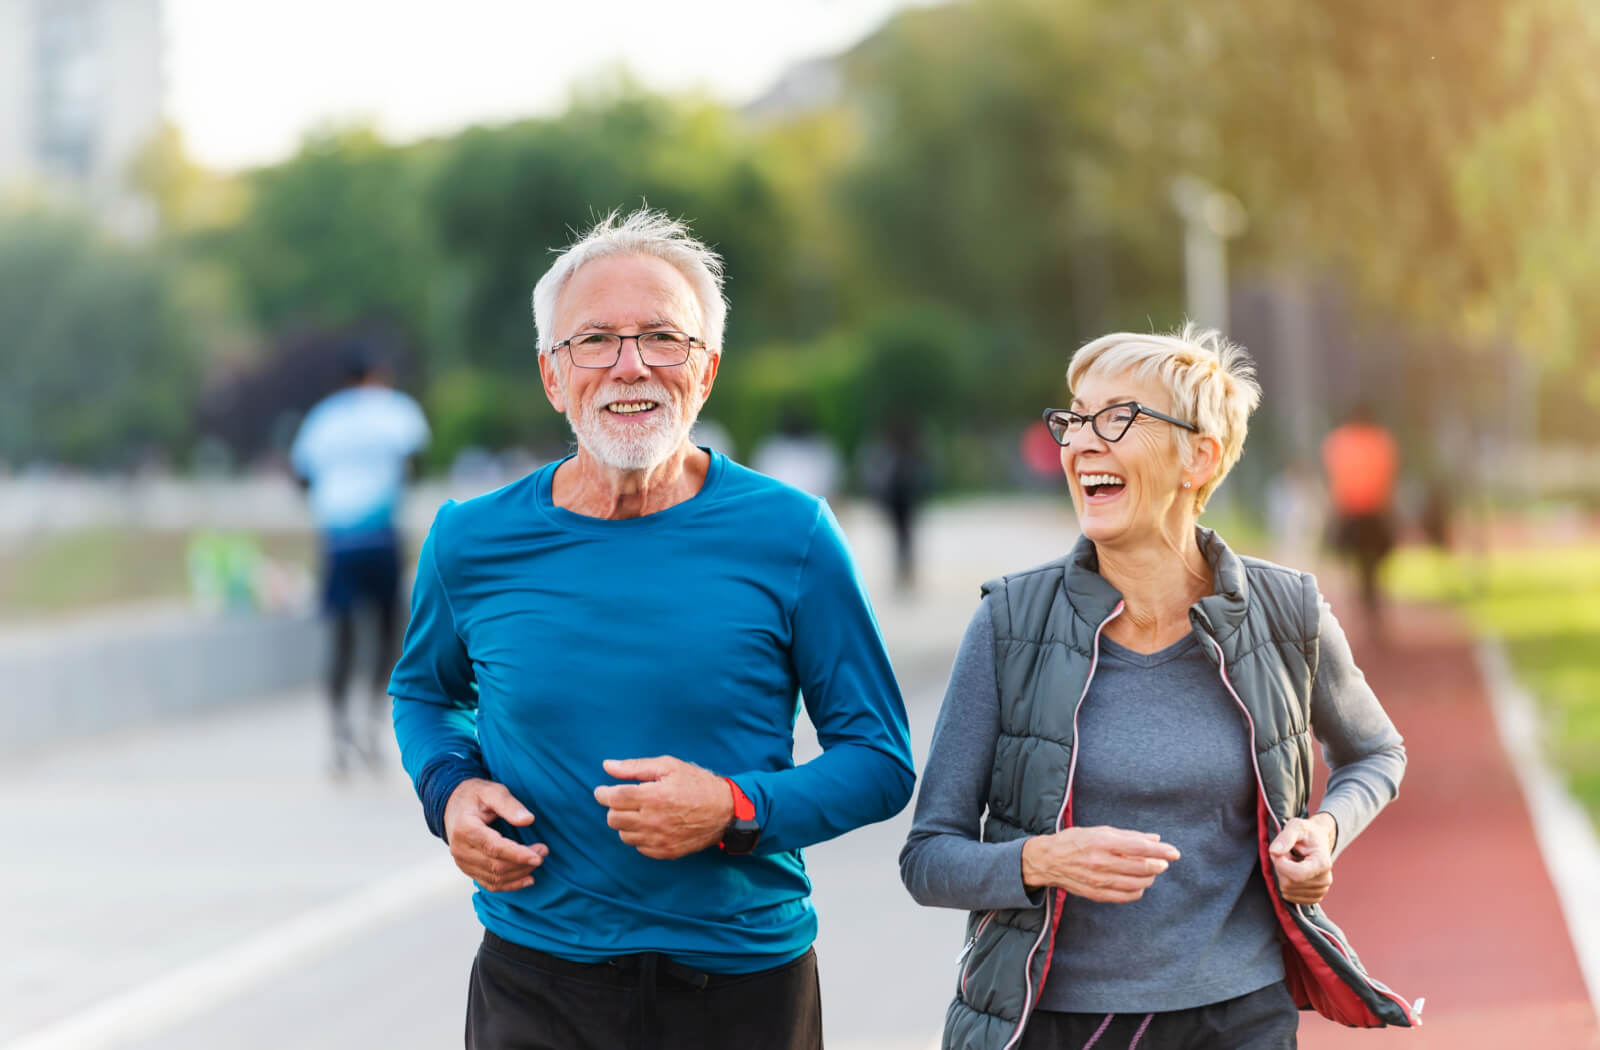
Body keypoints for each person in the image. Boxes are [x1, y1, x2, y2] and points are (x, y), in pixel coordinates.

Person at [388, 208, 915, 1050]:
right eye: (594, 340)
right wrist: (447, 785)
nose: (630, 365)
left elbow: (881, 761)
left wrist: (735, 806)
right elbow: (424, 692)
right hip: (535, 980)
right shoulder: (470, 540)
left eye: (663, 338)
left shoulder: (795, 535)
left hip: (742, 987)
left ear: (704, 371)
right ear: (553, 377)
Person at [900, 326, 1418, 1049]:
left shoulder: (1286, 611)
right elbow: (928, 856)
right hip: (1054, 1023)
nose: (1081, 442)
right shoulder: (1009, 622)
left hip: (1242, 1014)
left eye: (1116, 418)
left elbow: (1376, 752)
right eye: (1073, 420)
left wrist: (1324, 832)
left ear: (1198, 457)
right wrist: (1042, 859)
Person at [289, 349, 429, 777]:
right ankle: (372, 720)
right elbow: (414, 464)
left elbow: (301, 476)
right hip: (381, 535)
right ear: (377, 374)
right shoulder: (396, 409)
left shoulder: (322, 418)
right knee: (389, 632)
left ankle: (338, 731)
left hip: (338, 540)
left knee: (342, 637)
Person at [1320, 404, 1399, 636]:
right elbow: (1389, 478)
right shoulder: (1382, 441)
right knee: (1374, 567)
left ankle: (1364, 599)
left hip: (1350, 513)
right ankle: (1372, 602)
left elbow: (1334, 481)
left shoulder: (1338, 441)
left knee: (1357, 564)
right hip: (1376, 514)